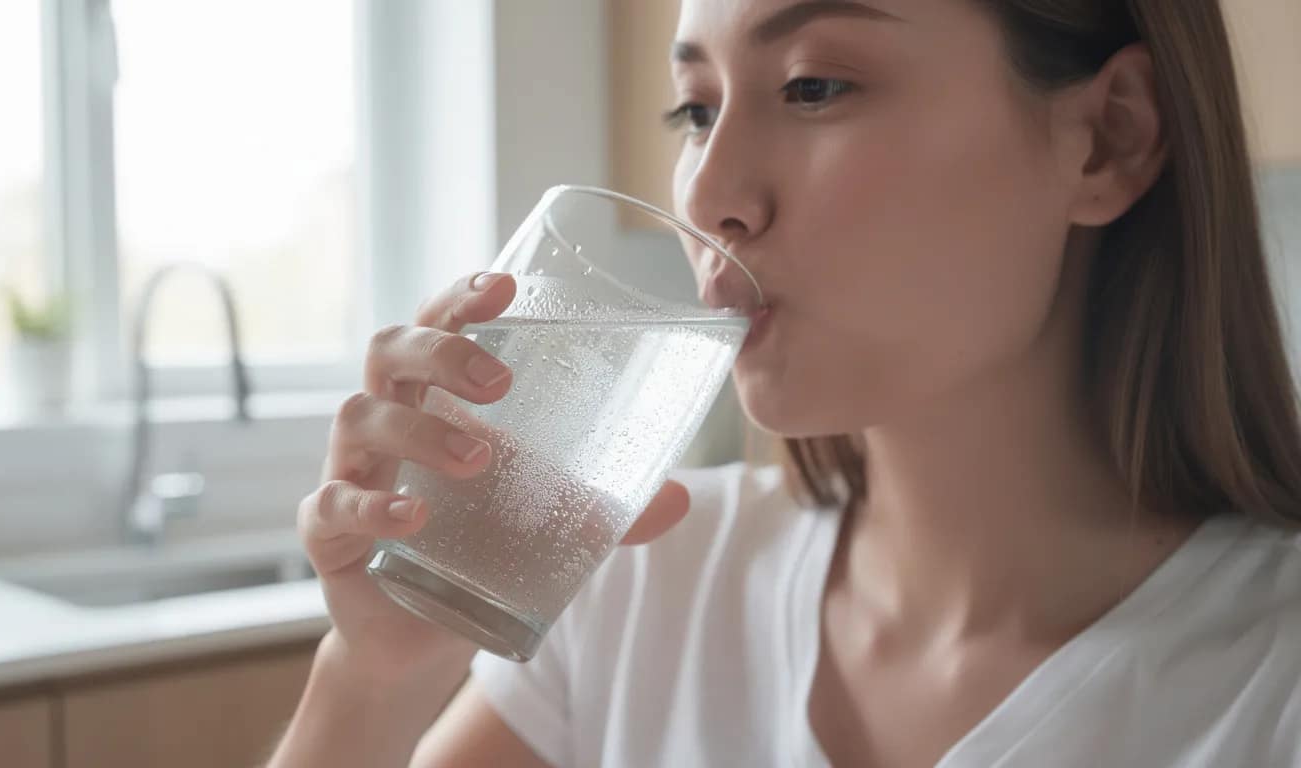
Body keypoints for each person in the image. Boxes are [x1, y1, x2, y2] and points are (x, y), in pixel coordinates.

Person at [268, 0, 1301, 765]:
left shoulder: (1268, 682)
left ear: (1109, 137)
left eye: (814, 86)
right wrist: (372, 681)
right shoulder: (643, 582)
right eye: (694, 111)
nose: (711, 191)